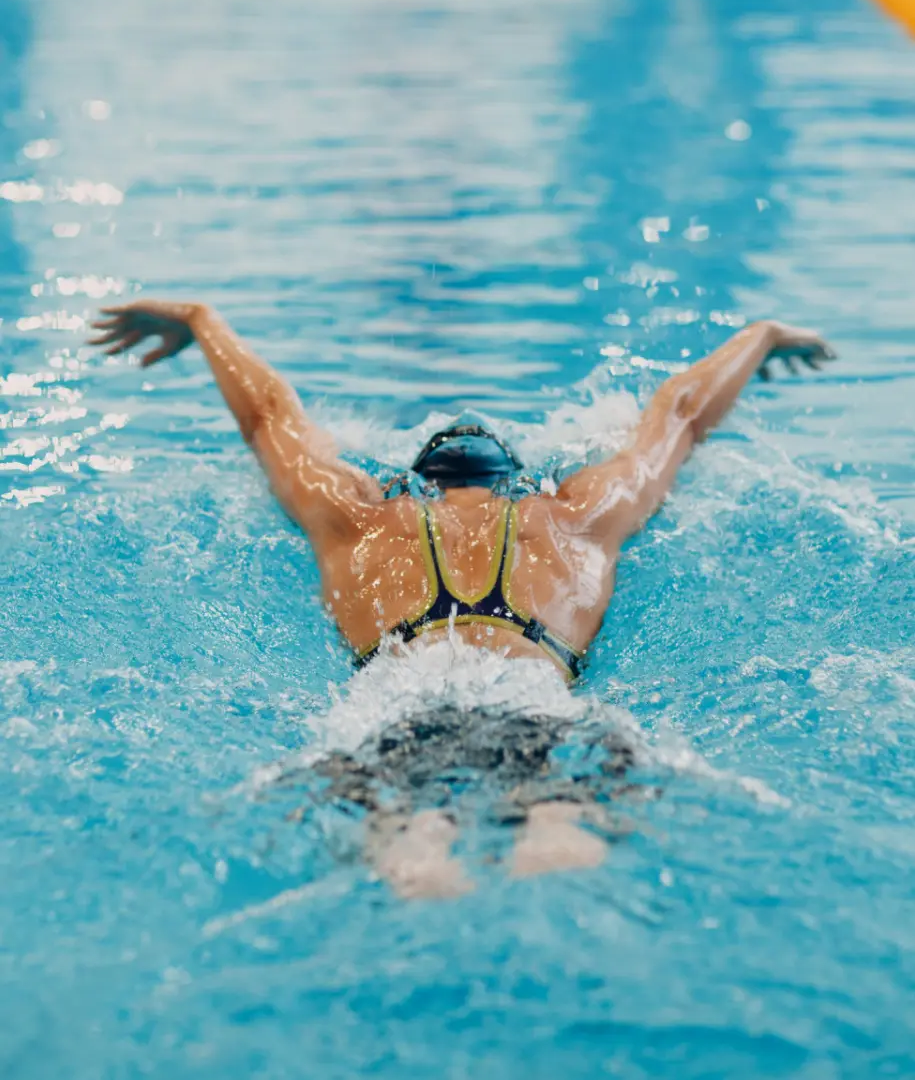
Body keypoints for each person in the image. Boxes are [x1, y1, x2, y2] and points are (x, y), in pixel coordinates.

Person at [90, 301, 835, 895]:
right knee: (557, 821)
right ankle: (552, 840)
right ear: (516, 481)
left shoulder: (361, 515)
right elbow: (678, 414)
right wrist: (761, 335)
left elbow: (269, 419)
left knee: (411, 838)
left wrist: (199, 320)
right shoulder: (572, 514)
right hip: (528, 692)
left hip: (398, 698)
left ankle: (420, 863)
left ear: (415, 482)